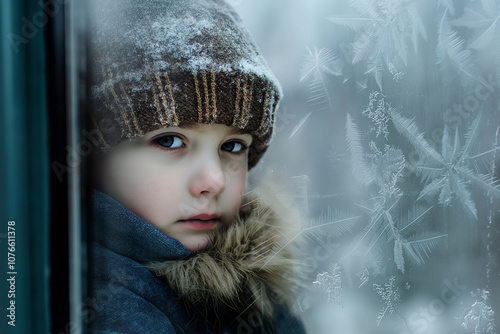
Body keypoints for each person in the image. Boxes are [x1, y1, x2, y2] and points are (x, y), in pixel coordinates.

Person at [86, 0, 307, 333]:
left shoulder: (249, 290)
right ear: (98, 156)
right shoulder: (112, 307)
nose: (214, 180)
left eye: (232, 147)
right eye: (170, 141)